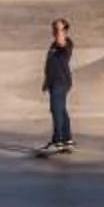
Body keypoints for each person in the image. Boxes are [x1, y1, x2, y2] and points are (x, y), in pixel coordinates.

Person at [36, 18, 75, 156]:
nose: (54, 31)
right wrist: (46, 81)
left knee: (56, 111)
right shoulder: (53, 45)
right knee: (61, 111)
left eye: (57, 29)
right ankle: (67, 140)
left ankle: (57, 141)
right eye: (53, 29)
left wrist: (60, 30)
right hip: (55, 82)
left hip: (61, 82)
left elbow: (61, 43)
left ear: (65, 30)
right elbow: (51, 64)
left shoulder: (66, 43)